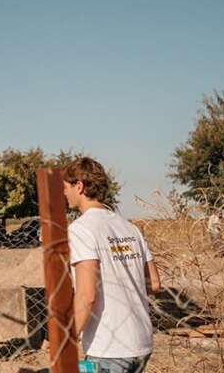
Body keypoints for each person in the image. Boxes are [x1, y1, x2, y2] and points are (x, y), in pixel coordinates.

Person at [62, 157, 161, 373]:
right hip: (141, 342)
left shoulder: (81, 229)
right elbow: (153, 283)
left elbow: (87, 295)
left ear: (79, 186)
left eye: (66, 187)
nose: (64, 193)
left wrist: (65, 340)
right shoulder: (128, 227)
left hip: (109, 348)